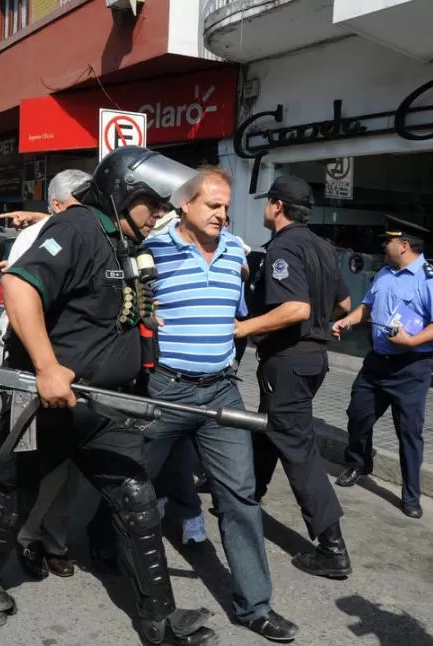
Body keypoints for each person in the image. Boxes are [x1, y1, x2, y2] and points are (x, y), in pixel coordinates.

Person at [0, 146, 217, 646]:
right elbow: (19, 288)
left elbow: (109, 310)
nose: (162, 213)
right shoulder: (77, 228)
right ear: (125, 193)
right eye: (154, 203)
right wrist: (47, 366)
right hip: (49, 402)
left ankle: (158, 621)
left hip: (107, 405)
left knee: (138, 500)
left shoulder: (124, 241)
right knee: (17, 491)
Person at [141, 166, 299, 641]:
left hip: (220, 391)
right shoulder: (153, 252)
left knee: (241, 500)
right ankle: (104, 549)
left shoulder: (237, 253)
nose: (221, 215)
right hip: (166, 391)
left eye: (226, 206)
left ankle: (256, 606)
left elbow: (242, 314)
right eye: (212, 205)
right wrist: (148, 316)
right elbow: (129, 306)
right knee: (130, 483)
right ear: (185, 205)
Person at [234, 175, 353, 580]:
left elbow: (295, 309)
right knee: (273, 428)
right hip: (312, 359)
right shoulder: (321, 246)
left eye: (267, 202)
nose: (265, 208)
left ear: (278, 206)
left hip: (287, 361)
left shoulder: (285, 246)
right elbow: (344, 303)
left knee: (297, 448)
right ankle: (245, 493)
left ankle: (332, 547)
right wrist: (320, 325)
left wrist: (243, 329)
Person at [0, 169, 92, 580]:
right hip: (37, 374)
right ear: (58, 206)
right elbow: (19, 296)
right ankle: (25, 538)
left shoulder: (92, 234)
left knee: (70, 470)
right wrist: (46, 366)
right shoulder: (38, 239)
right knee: (34, 466)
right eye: (79, 201)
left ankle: (55, 541)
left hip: (82, 375)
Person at [333, 216, 433, 519]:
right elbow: (368, 307)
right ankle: (359, 463)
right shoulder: (385, 273)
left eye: (388, 241)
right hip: (377, 363)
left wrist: (413, 341)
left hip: (410, 369)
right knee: (357, 414)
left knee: (409, 432)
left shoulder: (430, 279)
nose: (383, 246)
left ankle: (411, 495)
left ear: (404, 245)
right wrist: (349, 320)